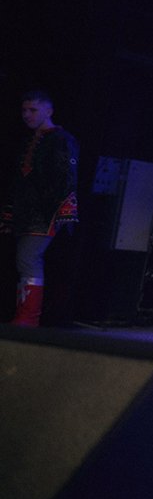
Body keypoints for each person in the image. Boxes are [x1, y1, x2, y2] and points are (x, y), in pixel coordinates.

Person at [2, 90, 79, 326]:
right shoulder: (30, 141)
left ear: (48, 111)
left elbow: (67, 176)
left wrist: (65, 210)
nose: (27, 115)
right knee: (23, 260)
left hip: (45, 212)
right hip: (26, 210)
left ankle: (28, 318)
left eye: (33, 110)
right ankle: (24, 316)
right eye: (24, 110)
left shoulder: (61, 139)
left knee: (28, 258)